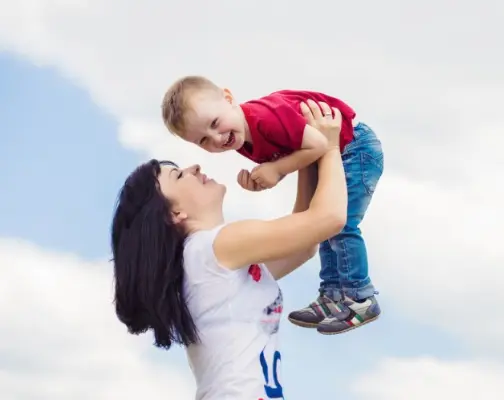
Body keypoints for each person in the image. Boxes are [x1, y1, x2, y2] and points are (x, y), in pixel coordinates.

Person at [110, 101, 346, 400]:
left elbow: (304, 244)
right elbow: (329, 219)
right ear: (174, 213)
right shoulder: (216, 247)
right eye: (179, 175)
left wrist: (305, 154)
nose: (194, 167)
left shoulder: (206, 261)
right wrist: (330, 147)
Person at [160, 76, 384, 334]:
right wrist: (266, 177)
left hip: (354, 148)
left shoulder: (263, 118)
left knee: (339, 225)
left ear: (229, 99)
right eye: (203, 140)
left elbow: (321, 144)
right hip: (334, 153)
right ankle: (333, 294)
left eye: (214, 123)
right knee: (320, 227)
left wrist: (277, 170)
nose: (216, 138)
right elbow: (296, 150)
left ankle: (360, 296)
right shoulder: (241, 137)